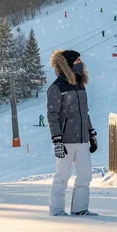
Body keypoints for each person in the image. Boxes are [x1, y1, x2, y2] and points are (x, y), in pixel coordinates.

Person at [47, 50, 98, 217]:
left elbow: (85, 112)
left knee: (85, 176)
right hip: (66, 140)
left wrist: (91, 134)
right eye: (77, 60)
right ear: (68, 64)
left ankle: (79, 209)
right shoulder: (56, 87)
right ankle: (57, 211)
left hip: (82, 139)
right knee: (62, 176)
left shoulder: (80, 85)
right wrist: (57, 140)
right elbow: (52, 116)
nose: (80, 63)